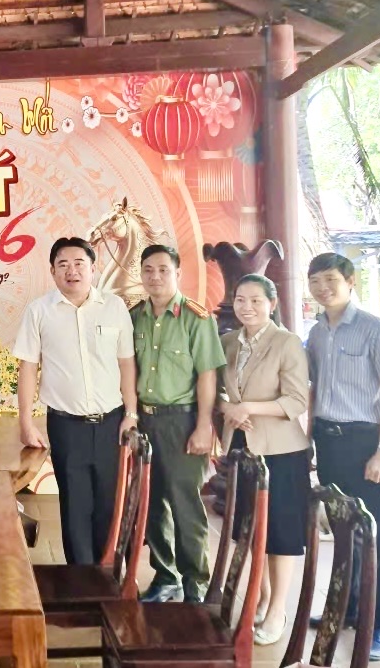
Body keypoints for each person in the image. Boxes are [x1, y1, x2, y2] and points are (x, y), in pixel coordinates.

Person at [13, 237, 138, 565]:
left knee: (111, 502)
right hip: (66, 426)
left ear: (93, 268)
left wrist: (132, 413)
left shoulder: (114, 307)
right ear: (52, 271)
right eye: (63, 265)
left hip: (112, 423)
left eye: (79, 263)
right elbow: (28, 367)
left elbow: (126, 363)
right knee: (74, 504)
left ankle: (109, 573)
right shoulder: (39, 311)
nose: (72, 271)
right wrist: (26, 421)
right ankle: (81, 578)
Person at [305, 252, 380, 661]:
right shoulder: (317, 332)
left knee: (377, 532)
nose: (322, 288)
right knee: (345, 530)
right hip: (329, 442)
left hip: (366, 441)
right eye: (315, 281)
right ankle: (347, 608)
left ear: (350, 281)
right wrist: (310, 439)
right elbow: (314, 390)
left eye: (330, 279)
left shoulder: (375, 329)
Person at [218, 275, 310, 646]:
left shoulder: (287, 343)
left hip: (282, 451)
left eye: (256, 300)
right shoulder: (228, 341)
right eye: (241, 299)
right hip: (242, 446)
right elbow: (217, 390)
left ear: (272, 303)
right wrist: (228, 408)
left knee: (281, 532)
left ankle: (278, 610)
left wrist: (248, 408)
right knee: (253, 528)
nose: (247, 307)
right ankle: (263, 597)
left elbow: (296, 401)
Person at [132, 244, 225, 603]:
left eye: (163, 270)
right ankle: (165, 576)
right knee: (151, 502)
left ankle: (194, 582)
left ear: (177, 274)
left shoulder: (196, 318)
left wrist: (204, 425)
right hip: (145, 420)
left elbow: (207, 375)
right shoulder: (135, 316)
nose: (154, 277)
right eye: (148, 270)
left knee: (185, 504)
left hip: (182, 421)